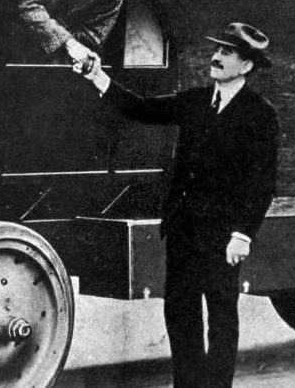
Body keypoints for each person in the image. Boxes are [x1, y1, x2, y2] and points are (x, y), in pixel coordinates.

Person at [77, 22, 280, 387]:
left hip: (222, 236)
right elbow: (140, 109)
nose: (216, 58)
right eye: (217, 50)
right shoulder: (196, 101)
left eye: (227, 53)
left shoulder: (260, 115)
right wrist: (98, 77)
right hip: (184, 229)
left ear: (247, 66)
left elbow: (262, 184)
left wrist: (242, 235)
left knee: (220, 316)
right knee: (180, 312)